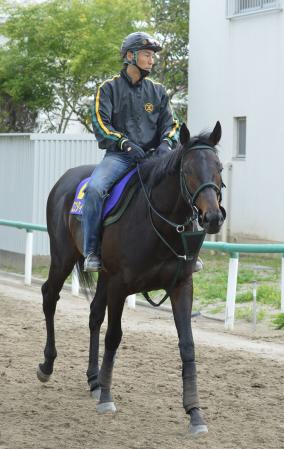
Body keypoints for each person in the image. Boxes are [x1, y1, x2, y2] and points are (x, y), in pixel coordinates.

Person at [82, 31, 180, 272]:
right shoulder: (108, 89)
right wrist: (124, 143)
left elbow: (172, 124)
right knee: (94, 189)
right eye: (147, 54)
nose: (151, 60)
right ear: (130, 56)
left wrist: (166, 144)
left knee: (188, 186)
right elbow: (101, 123)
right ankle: (91, 251)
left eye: (152, 56)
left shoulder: (158, 92)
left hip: (155, 158)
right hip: (120, 156)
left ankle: (186, 252)